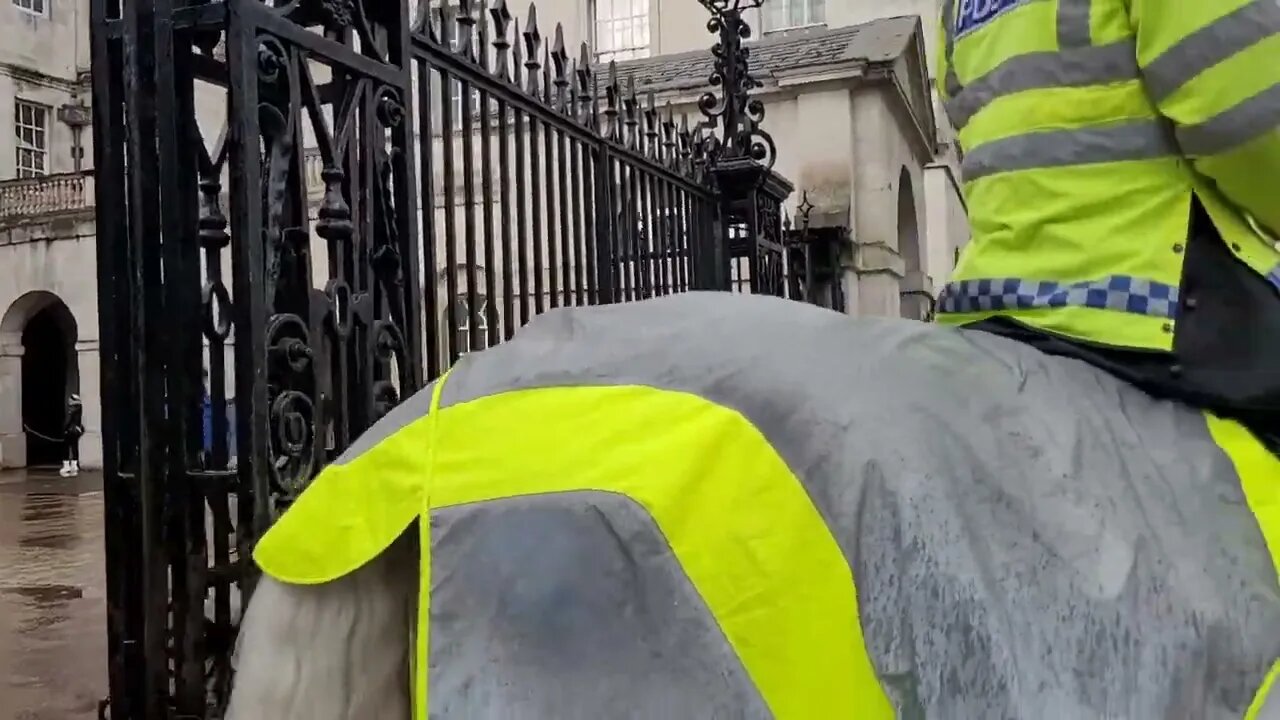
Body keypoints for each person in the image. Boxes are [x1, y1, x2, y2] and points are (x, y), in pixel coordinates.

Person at [933, 0, 1280, 448]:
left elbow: (968, 125)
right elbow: (1250, 122)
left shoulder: (954, 7)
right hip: (1149, 300)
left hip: (995, 304)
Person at [60, 393, 83, 478]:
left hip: (69, 431)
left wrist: (64, 429)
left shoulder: (72, 410)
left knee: (66, 447)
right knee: (74, 447)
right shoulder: (79, 408)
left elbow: (68, 421)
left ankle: (66, 466)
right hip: (76, 431)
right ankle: (74, 465)